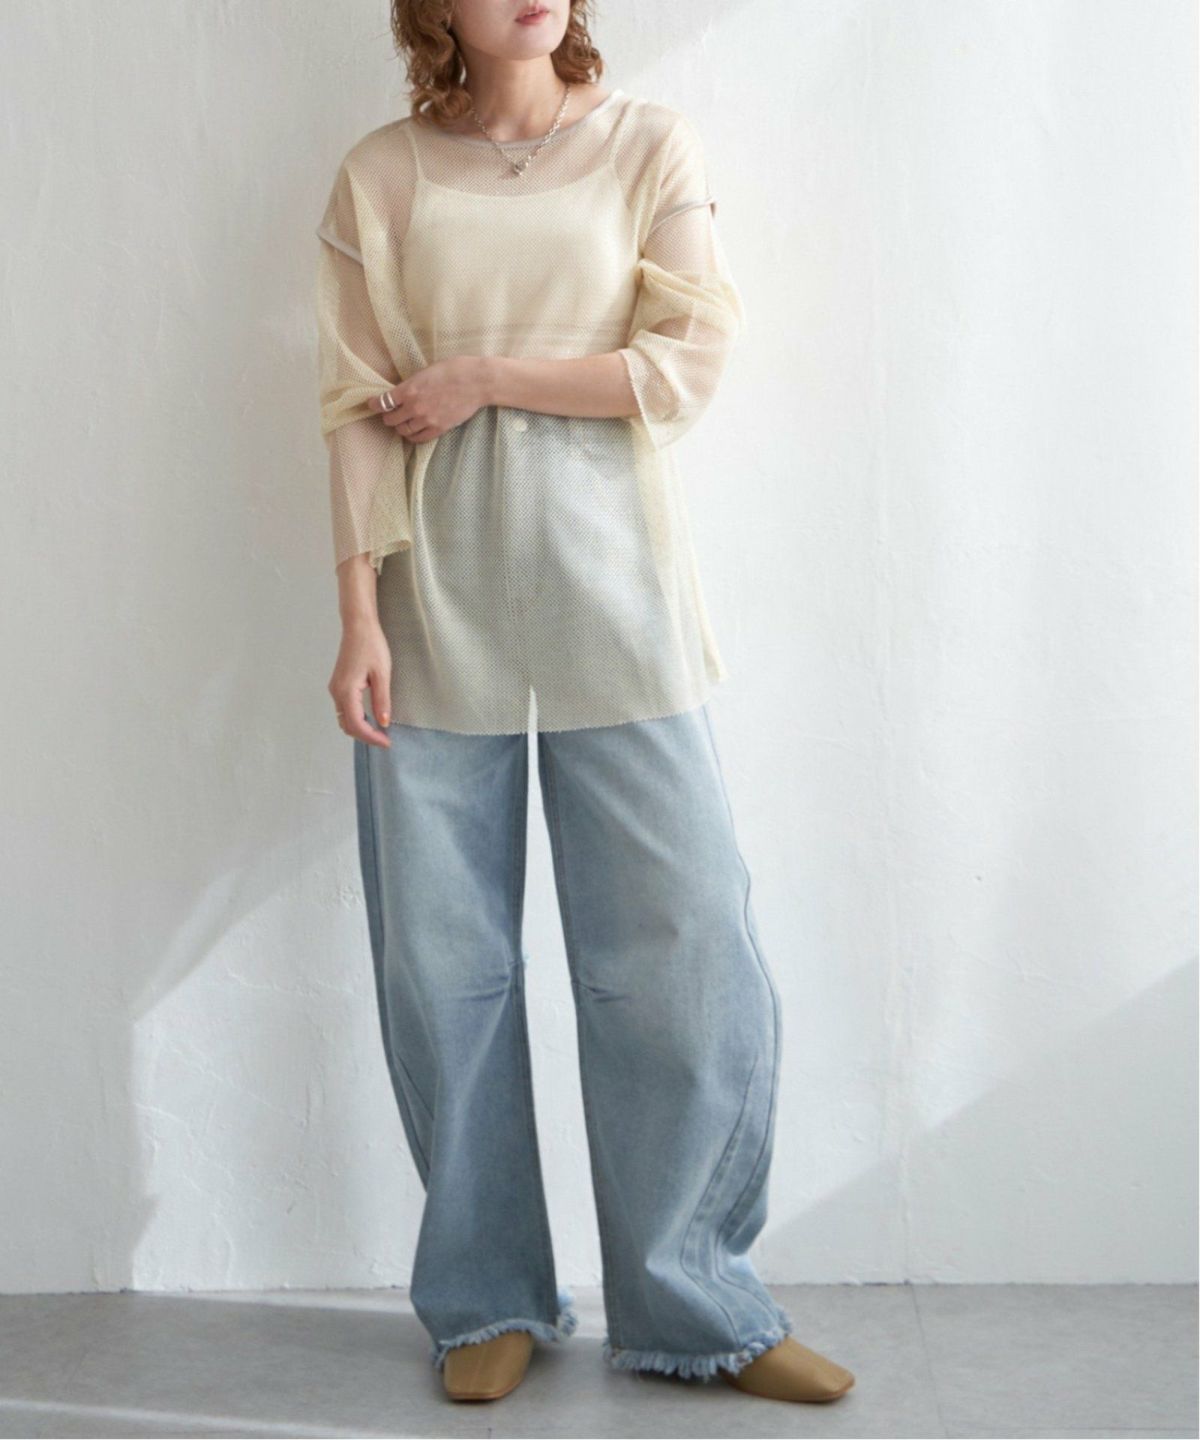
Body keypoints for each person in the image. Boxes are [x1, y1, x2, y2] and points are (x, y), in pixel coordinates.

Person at [314, 0, 856, 1407]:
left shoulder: (647, 144)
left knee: (683, 947)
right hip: (433, 594)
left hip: (617, 587)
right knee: (446, 968)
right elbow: (354, 404)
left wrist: (485, 375)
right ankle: (485, 1297)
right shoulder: (382, 173)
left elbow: (688, 361)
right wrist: (358, 614)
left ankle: (696, 1300)